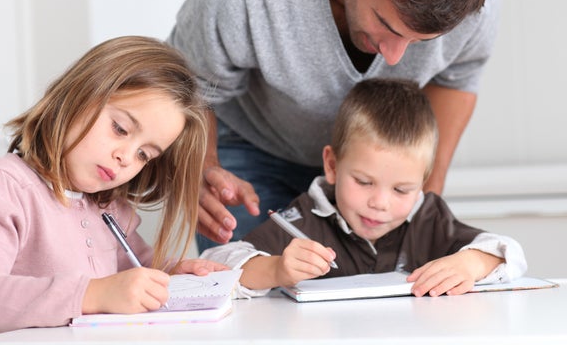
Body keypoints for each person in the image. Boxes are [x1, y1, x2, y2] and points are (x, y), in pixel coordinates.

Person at [167, 0, 502, 250]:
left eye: (420, 41)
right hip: (252, 147)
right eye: (386, 25)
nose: (395, 57)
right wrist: (198, 168)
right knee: (249, 284)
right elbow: (188, 86)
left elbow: (457, 79)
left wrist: (425, 192)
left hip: (378, 167)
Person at [0, 36, 229, 340]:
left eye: (144, 154)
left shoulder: (109, 208)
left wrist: (172, 275)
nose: (126, 157)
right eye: (120, 129)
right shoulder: (4, 186)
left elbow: (137, 269)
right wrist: (91, 294)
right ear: (79, 94)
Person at [201, 78, 526, 298]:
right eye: (364, 182)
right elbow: (216, 265)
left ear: (422, 183)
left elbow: (508, 253)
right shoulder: (304, 218)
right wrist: (276, 269)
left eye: (401, 190)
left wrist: (470, 263)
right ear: (332, 165)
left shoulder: (428, 215)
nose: (380, 203)